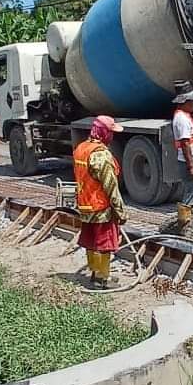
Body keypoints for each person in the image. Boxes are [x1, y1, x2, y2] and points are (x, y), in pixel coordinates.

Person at [73, 115, 127, 290]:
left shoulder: (82, 148)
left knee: (91, 241)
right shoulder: (101, 155)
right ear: (104, 133)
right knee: (104, 244)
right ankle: (102, 279)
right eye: (111, 132)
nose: (112, 136)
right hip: (100, 207)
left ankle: (95, 273)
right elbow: (110, 186)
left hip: (84, 205)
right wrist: (120, 211)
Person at [172, 80, 193, 227]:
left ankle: (186, 221)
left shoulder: (185, 116)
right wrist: (191, 166)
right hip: (191, 163)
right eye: (192, 100)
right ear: (185, 101)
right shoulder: (181, 118)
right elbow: (185, 143)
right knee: (190, 195)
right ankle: (183, 223)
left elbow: (192, 141)